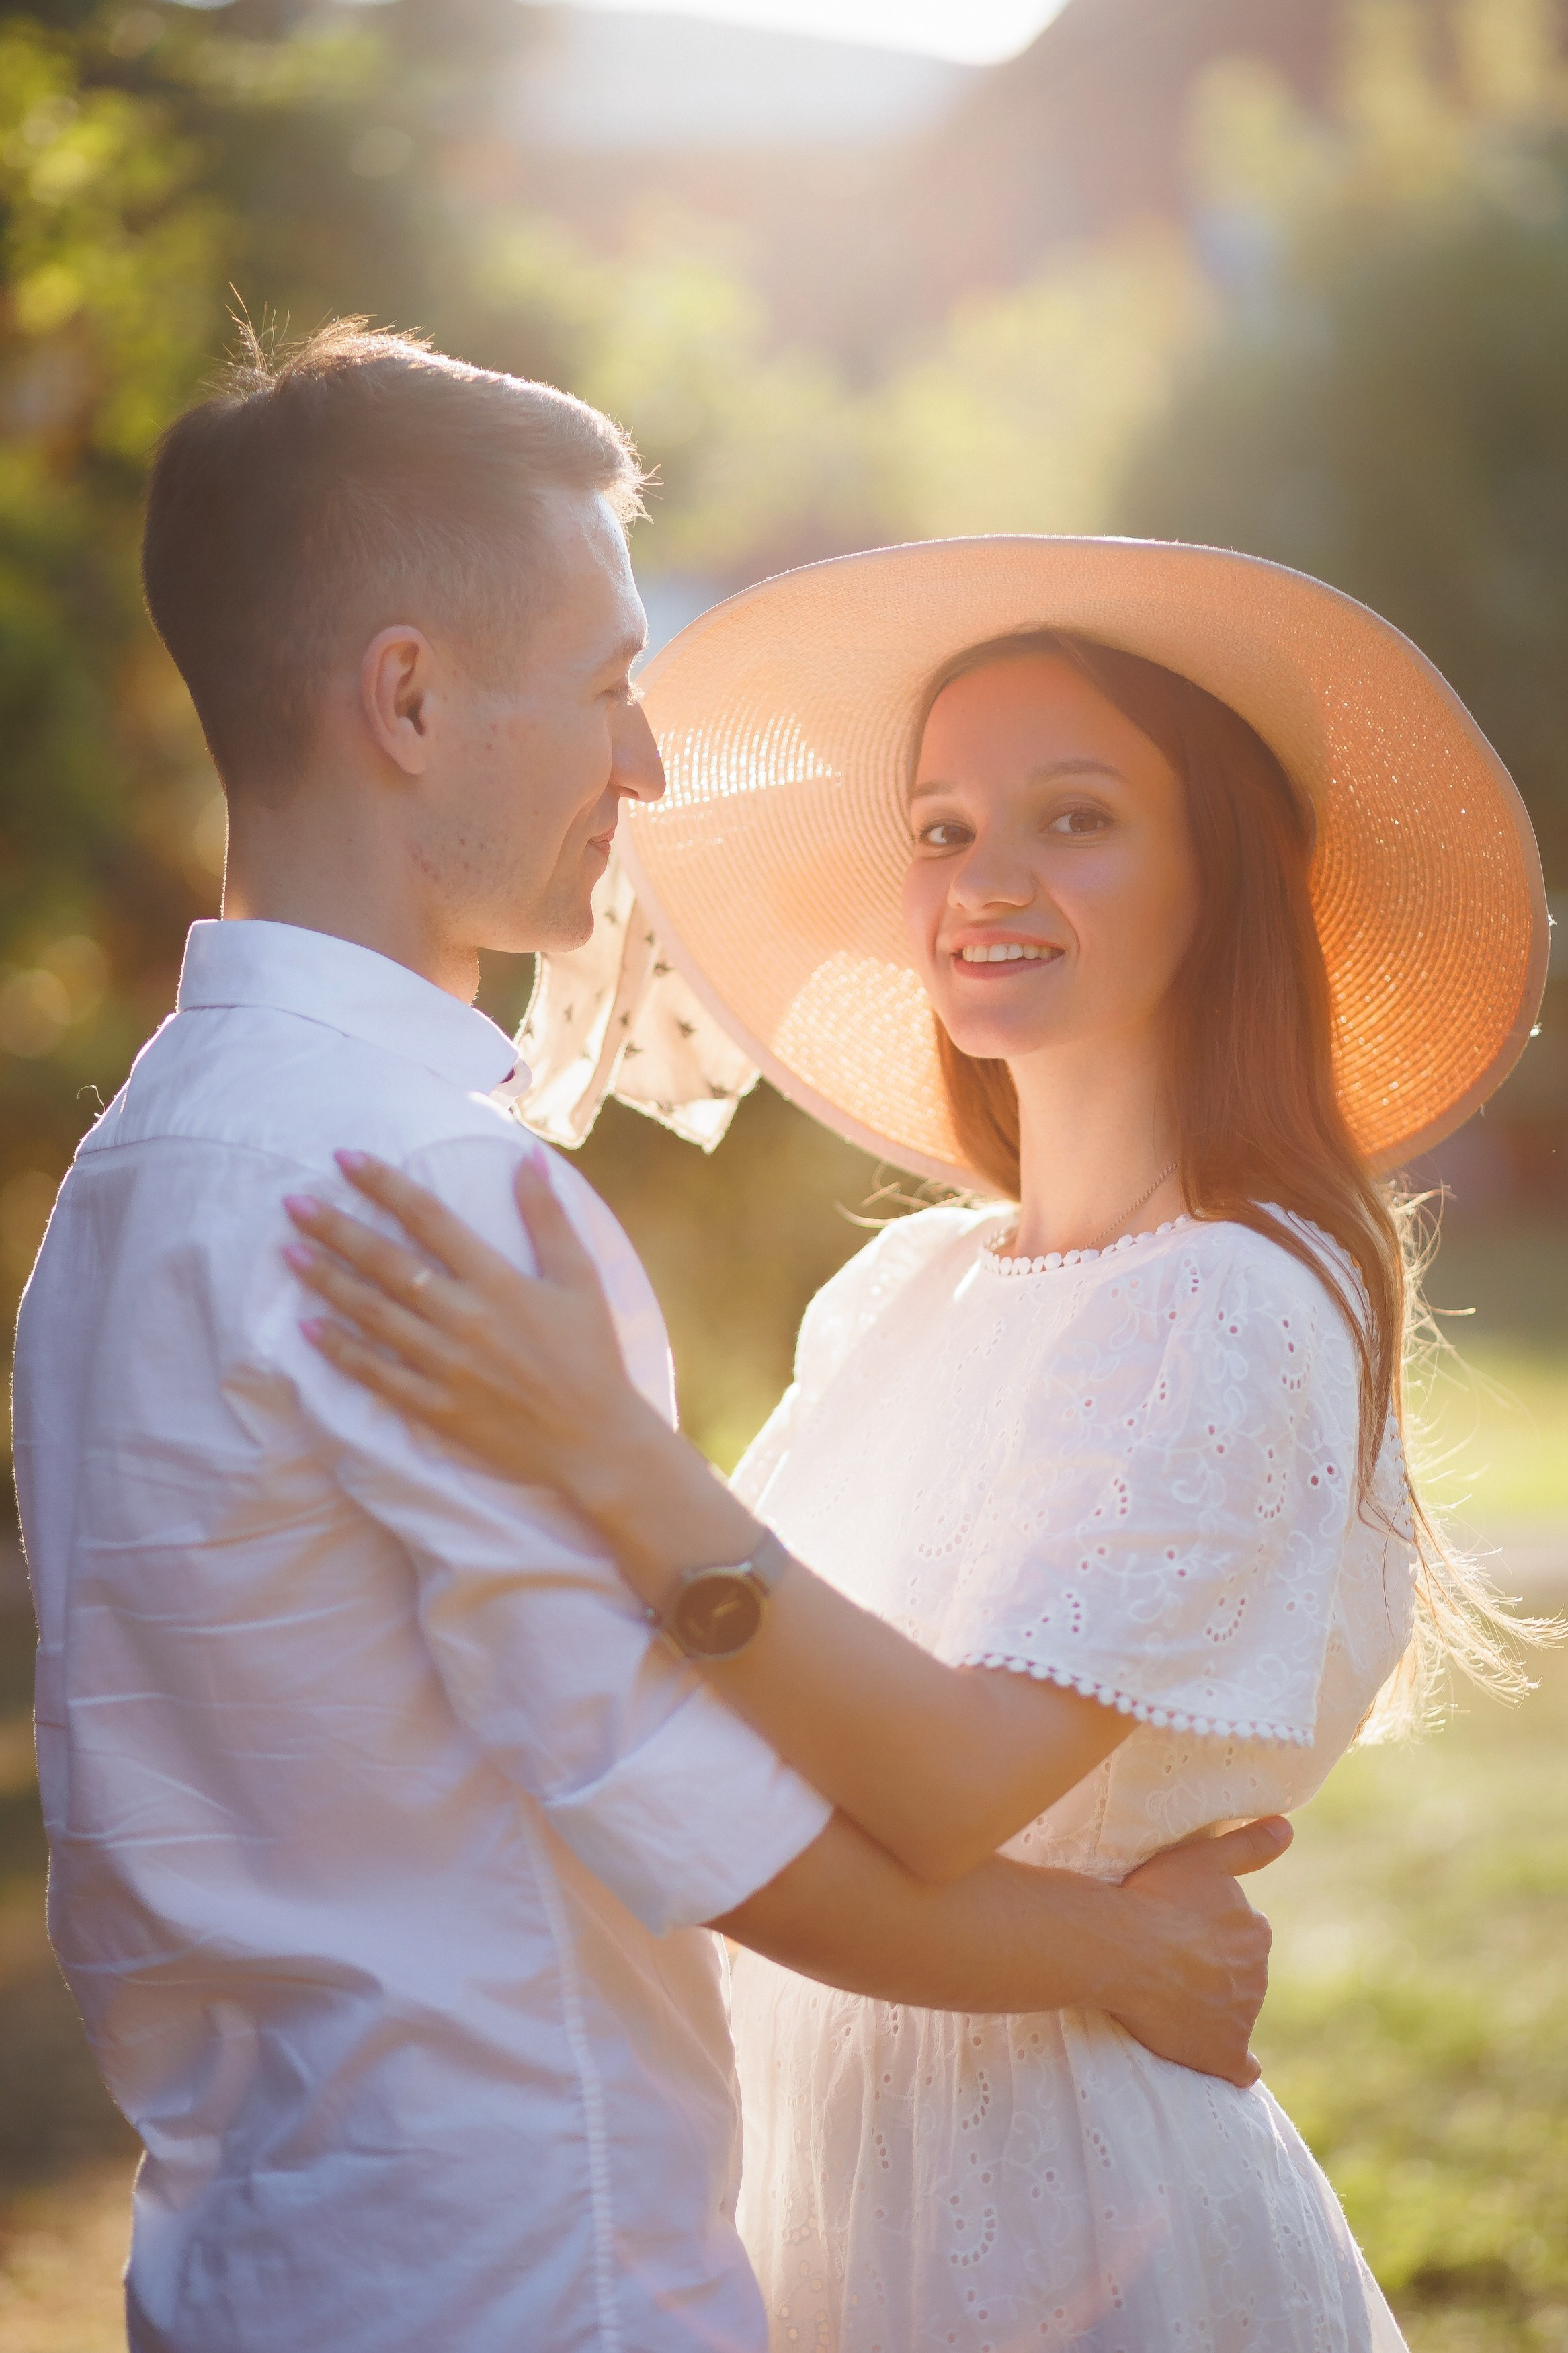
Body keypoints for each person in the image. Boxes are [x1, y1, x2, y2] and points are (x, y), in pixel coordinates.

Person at [9, 333, 1282, 2353]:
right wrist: (1119, 1950)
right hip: (523, 2273)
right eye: (611, 686)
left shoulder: (120, 1181)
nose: (647, 767)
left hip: (240, 2263)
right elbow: (694, 1815)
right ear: (409, 698)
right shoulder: (434, 1200)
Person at [284, 536, 1551, 2350]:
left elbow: (955, 1779)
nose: (986, 879)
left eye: (1077, 817)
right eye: (945, 828)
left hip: (1057, 2195)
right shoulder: (905, 1286)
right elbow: (737, 1686)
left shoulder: (1243, 1300)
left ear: (1227, 876)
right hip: (797, 2167)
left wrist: (601, 1445)